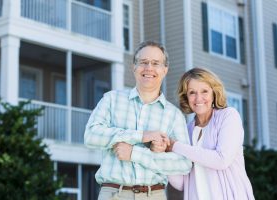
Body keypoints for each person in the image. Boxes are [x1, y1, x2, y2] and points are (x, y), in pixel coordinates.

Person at [84, 41, 192, 200]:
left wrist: (135, 153)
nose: (149, 67)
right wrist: (141, 136)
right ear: (134, 67)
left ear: (165, 70)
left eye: (156, 63)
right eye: (143, 62)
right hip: (114, 194)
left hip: (154, 195)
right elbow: (91, 136)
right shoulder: (111, 99)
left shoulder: (174, 115)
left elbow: (184, 163)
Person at [151, 67, 255, 200]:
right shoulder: (186, 130)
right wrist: (163, 153)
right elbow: (182, 183)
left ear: (214, 93)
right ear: (186, 97)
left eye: (204, 91)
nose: (198, 98)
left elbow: (221, 160)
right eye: (192, 92)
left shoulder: (228, 116)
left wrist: (175, 146)